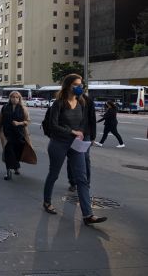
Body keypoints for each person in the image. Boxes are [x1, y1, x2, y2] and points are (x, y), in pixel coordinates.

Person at [43, 74, 107, 225]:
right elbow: (53, 126)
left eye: (81, 84)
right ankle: (47, 202)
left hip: (76, 145)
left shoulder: (81, 102)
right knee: (54, 174)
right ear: (68, 86)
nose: (80, 87)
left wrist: (84, 135)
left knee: (82, 179)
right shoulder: (59, 103)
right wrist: (72, 132)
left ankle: (88, 215)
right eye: (76, 85)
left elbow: (83, 123)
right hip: (58, 143)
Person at [0, 91, 31, 180]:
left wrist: (19, 123)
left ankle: (16, 166)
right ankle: (8, 172)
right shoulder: (5, 107)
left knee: (17, 153)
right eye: (13, 97)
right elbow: (0, 119)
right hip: (7, 134)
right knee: (8, 152)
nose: (14, 99)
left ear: (19, 99)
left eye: (17, 97)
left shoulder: (23, 109)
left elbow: (27, 121)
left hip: (19, 134)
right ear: (10, 98)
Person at [67, 91, 96, 192]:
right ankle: (73, 182)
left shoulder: (88, 101)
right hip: (71, 133)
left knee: (85, 158)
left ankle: (86, 182)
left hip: (85, 133)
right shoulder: (67, 99)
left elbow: (92, 118)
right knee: (71, 158)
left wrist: (93, 137)